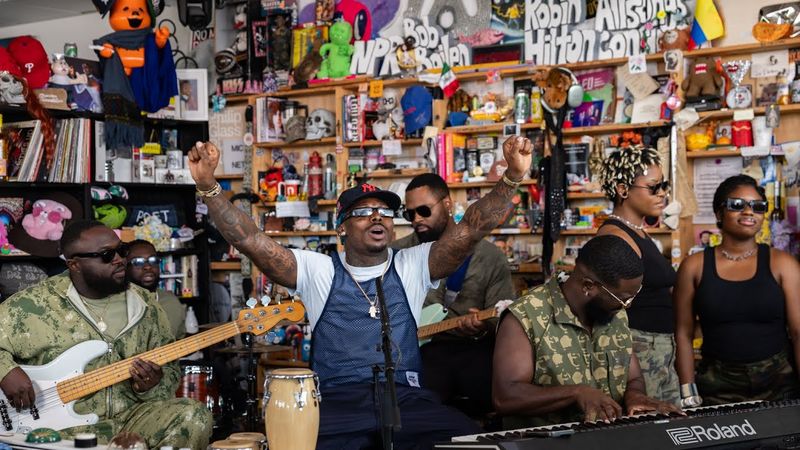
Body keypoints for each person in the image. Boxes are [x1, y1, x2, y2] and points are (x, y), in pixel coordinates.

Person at [188, 136, 532, 449]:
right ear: (342, 228)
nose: (377, 218)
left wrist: (512, 177)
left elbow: (471, 229)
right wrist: (208, 186)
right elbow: (249, 240)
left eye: (384, 212)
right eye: (364, 213)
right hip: (339, 402)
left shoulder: (413, 264)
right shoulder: (318, 269)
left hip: (406, 398)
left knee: (472, 444)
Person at [0, 221, 212, 448]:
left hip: (131, 418)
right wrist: (5, 370)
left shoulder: (146, 305)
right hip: (58, 428)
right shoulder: (32, 304)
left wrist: (151, 385)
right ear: (75, 265)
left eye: (122, 250)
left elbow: (170, 371)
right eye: (106, 255)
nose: (119, 259)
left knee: (193, 414)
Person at [493, 235, 682, 427]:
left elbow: (633, 377)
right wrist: (576, 392)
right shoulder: (526, 316)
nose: (627, 306)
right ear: (588, 286)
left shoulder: (613, 312)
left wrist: (636, 396)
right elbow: (506, 397)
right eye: (623, 299)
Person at [392, 173, 514, 418]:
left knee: (498, 399)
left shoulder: (489, 256)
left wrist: (483, 326)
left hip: (474, 349)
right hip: (419, 351)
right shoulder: (397, 254)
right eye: (410, 214)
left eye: (424, 211)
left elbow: (505, 318)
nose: (416, 220)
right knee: (409, 409)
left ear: (447, 204)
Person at [674, 175, 800, 406]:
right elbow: (683, 333)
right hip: (716, 386)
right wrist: (688, 392)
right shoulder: (694, 266)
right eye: (737, 205)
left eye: (758, 206)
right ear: (719, 213)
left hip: (779, 384)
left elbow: (798, 331)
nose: (749, 212)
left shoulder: (783, 264)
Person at [597, 146, 679, 405]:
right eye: (654, 186)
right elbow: (609, 306)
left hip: (660, 346)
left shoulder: (639, 233)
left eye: (663, 185)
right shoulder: (616, 236)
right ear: (623, 190)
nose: (663, 193)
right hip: (640, 348)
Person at [126, 239, 187, 339]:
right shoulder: (116, 303)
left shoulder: (171, 302)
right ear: (124, 267)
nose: (148, 267)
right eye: (138, 262)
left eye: (153, 260)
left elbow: (179, 340)